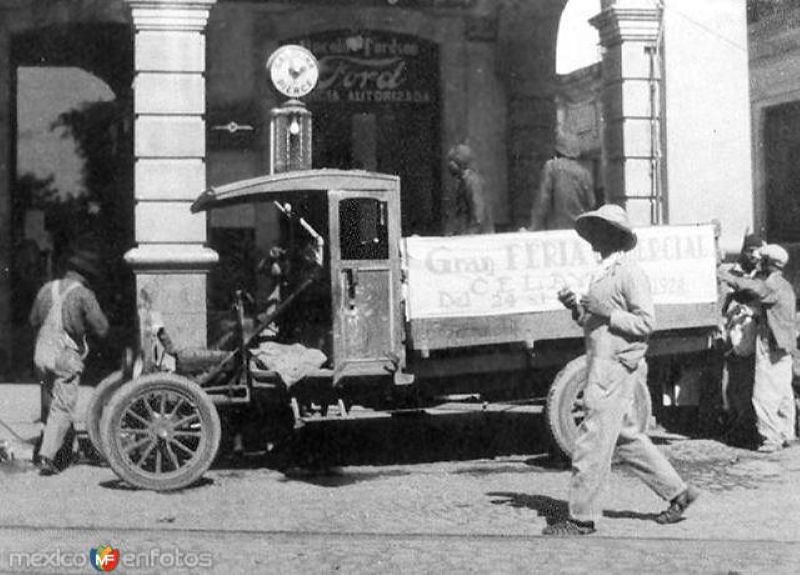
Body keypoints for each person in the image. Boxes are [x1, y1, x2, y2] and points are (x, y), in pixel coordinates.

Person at [544, 204, 698, 536]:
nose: (592, 240)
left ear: (614, 236)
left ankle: (581, 518)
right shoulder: (605, 272)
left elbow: (646, 322)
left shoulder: (628, 273)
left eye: (598, 232)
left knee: (592, 441)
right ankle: (679, 493)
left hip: (614, 368)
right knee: (625, 438)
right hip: (602, 365)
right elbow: (594, 322)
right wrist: (576, 307)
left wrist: (605, 312)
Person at [29, 249, 109, 475]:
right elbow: (102, 329)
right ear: (86, 277)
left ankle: (61, 449)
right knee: (63, 406)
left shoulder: (46, 289)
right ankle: (48, 457)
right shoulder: (84, 295)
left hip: (41, 352)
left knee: (50, 402)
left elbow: (33, 320)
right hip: (65, 354)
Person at [719, 243, 797, 452]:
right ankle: (786, 434)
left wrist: (730, 278)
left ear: (768, 263)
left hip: (770, 345)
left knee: (764, 395)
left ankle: (771, 439)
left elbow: (756, 289)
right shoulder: (785, 285)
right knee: (782, 393)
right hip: (784, 346)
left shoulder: (772, 285)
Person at [529, 132, 595, 231]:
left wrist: (534, 227)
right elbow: (591, 203)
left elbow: (543, 200)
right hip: (580, 230)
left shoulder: (551, 167)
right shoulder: (584, 172)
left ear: (557, 150)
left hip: (557, 230)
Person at [444, 143, 494, 235]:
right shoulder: (462, 182)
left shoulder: (472, 181)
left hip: (477, 239)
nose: (449, 166)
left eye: (452, 161)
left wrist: (469, 234)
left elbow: (478, 213)